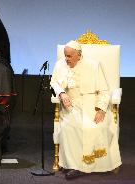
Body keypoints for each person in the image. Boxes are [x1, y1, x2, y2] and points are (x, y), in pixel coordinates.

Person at [50, 40, 121, 179]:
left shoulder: (93, 66)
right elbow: (54, 82)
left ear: (79, 55)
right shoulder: (60, 65)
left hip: (91, 105)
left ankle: (86, 166)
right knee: (71, 126)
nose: (66, 59)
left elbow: (104, 91)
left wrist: (101, 110)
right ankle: (73, 164)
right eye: (65, 55)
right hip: (71, 106)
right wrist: (62, 93)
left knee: (93, 127)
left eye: (69, 56)